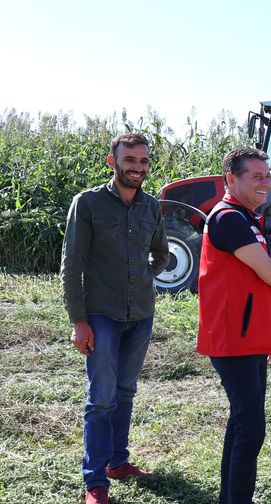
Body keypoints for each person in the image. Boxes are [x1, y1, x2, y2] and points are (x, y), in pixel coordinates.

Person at [197, 147, 271, 504]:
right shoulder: (229, 219)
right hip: (233, 336)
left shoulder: (247, 217)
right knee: (251, 427)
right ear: (231, 180)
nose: (266, 183)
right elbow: (267, 271)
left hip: (248, 336)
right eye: (256, 177)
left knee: (242, 423)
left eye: (267, 176)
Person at [61, 133, 169, 504]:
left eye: (143, 161)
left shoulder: (151, 207)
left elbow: (161, 253)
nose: (137, 167)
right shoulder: (88, 204)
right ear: (113, 161)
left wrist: (143, 275)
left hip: (140, 313)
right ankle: (94, 481)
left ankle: (118, 463)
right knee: (101, 398)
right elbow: (71, 265)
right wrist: (79, 321)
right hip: (101, 316)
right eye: (130, 160)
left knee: (125, 392)